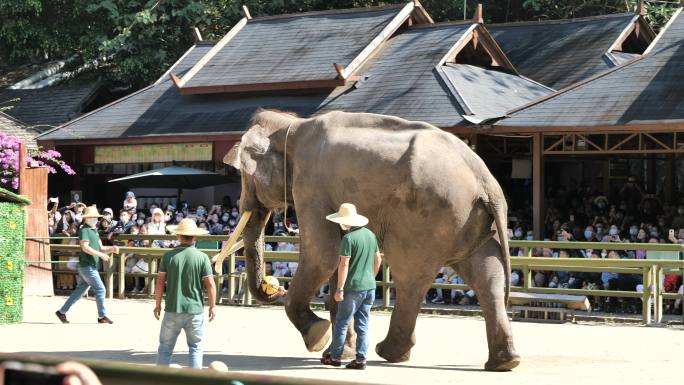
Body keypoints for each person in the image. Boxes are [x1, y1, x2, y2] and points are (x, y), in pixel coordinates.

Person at [321, 203, 381, 370]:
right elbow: (378, 260)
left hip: (352, 288)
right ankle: (361, 359)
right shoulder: (370, 235)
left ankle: (335, 357)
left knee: (342, 323)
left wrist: (339, 288)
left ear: (345, 222)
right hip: (370, 287)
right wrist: (371, 276)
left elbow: (344, 265)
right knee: (363, 324)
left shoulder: (348, 239)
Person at [154, 218, 216, 369]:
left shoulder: (168, 256)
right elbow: (210, 284)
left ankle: (159, 380)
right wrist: (212, 306)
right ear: (195, 237)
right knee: (195, 347)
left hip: (172, 308)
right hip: (195, 309)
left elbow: (160, 283)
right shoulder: (202, 257)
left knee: (165, 347)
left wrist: (157, 304)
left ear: (178, 236)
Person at [55, 206, 119, 324]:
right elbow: (85, 247)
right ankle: (102, 316)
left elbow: (102, 248)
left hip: (88, 266)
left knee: (79, 291)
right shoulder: (84, 230)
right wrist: (101, 255)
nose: (94, 219)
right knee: (100, 290)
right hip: (87, 266)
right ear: (86, 218)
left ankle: (62, 312)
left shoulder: (94, 231)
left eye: (95, 217)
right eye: (92, 217)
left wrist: (112, 248)